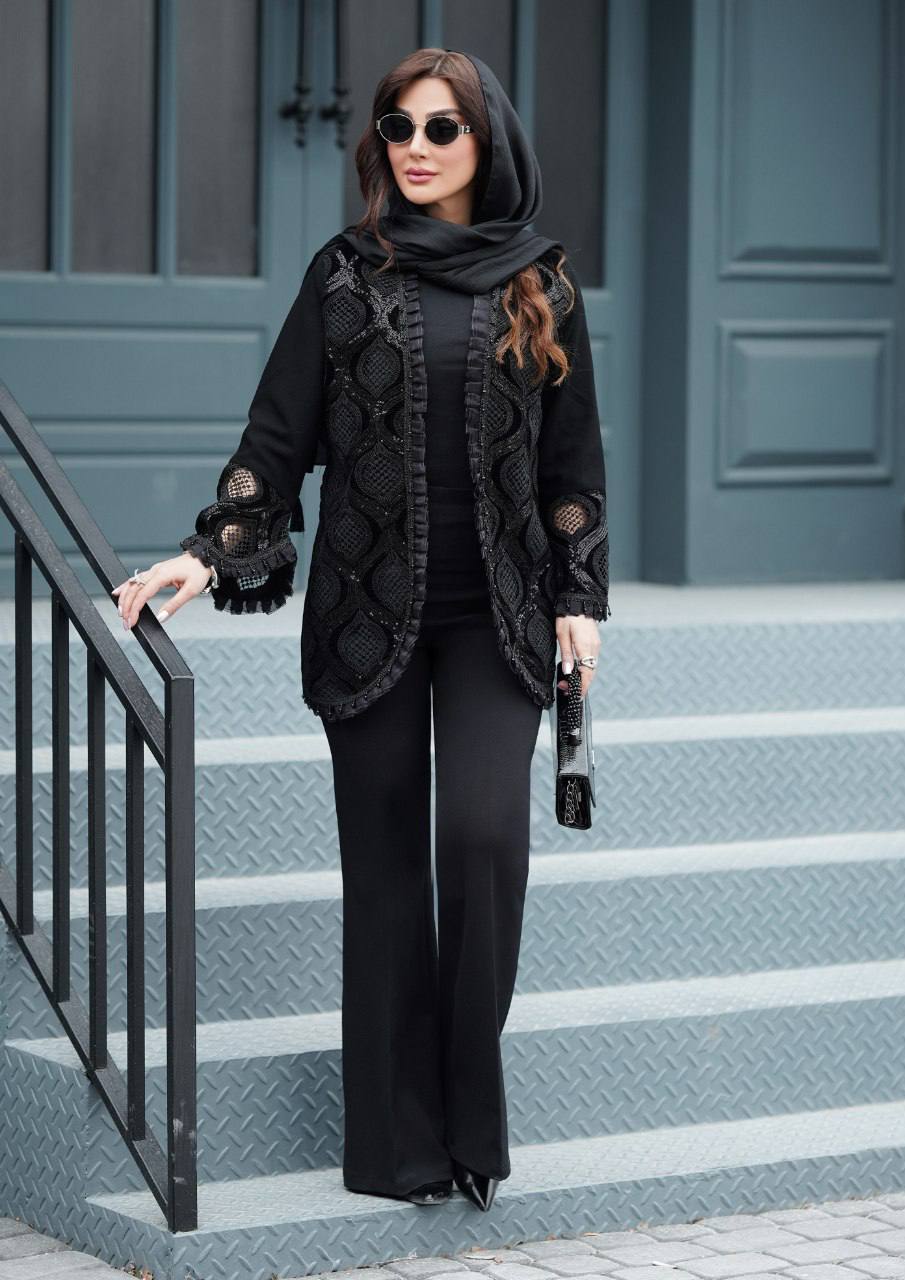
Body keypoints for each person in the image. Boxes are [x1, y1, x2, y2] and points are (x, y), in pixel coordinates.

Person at [111, 48, 610, 1213]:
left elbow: (572, 462)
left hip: (498, 618)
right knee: (386, 877)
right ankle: (398, 1148)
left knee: (482, 843)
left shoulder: (541, 282)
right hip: (367, 615)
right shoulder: (345, 273)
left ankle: (469, 1121)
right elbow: (278, 435)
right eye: (398, 126)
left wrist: (580, 598)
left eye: (443, 127)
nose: (417, 147)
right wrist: (210, 549)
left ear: (488, 143)